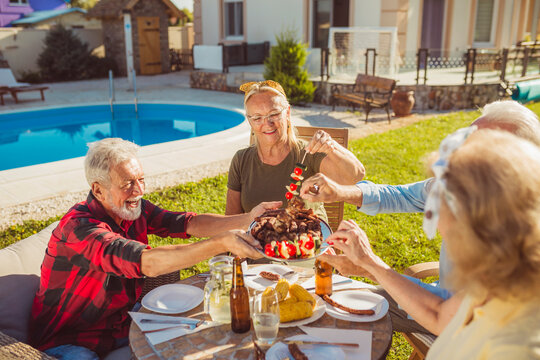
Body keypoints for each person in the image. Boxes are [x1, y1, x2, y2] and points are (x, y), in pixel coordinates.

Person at [301, 100, 540, 333]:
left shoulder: (512, 243)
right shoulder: (460, 185)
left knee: (337, 310)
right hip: (440, 300)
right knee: (332, 303)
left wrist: (371, 266)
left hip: (448, 318)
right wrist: (341, 192)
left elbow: (446, 316)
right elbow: (401, 195)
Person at [28, 138, 279, 359]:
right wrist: (220, 243)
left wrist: (250, 218)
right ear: (98, 190)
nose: (138, 190)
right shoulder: (80, 230)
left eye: (141, 180)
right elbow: (146, 262)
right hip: (69, 340)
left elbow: (187, 222)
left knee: (200, 334)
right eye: (127, 183)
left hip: (121, 323)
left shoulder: (131, 209)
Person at [226, 80, 364, 219]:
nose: (267, 123)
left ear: (287, 113)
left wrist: (332, 147)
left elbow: (356, 176)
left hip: (308, 238)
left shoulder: (309, 153)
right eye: (257, 117)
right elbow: (230, 222)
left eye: (274, 114)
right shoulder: (241, 160)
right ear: (249, 121)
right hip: (256, 240)